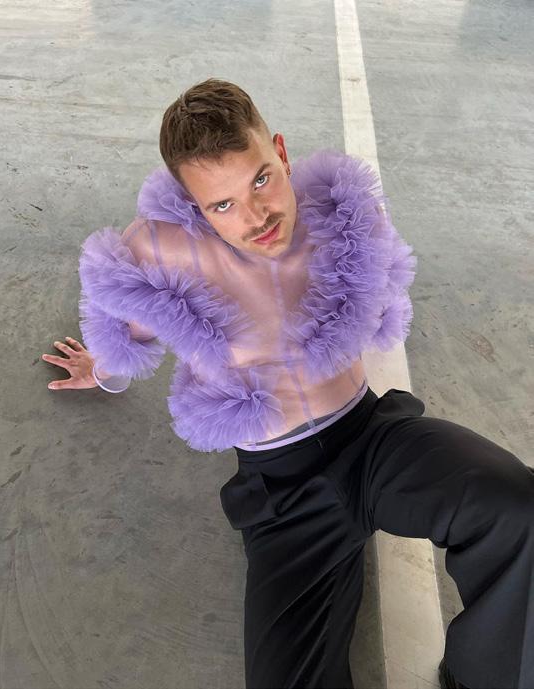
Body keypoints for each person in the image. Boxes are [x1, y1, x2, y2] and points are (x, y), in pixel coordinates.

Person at [42, 78, 534, 689]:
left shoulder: (340, 211)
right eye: (221, 205)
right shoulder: (163, 252)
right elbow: (126, 332)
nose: (257, 218)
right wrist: (100, 371)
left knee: (519, 508)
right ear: (193, 206)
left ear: (279, 151)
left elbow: (382, 292)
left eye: (260, 180)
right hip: (282, 488)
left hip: (371, 436)